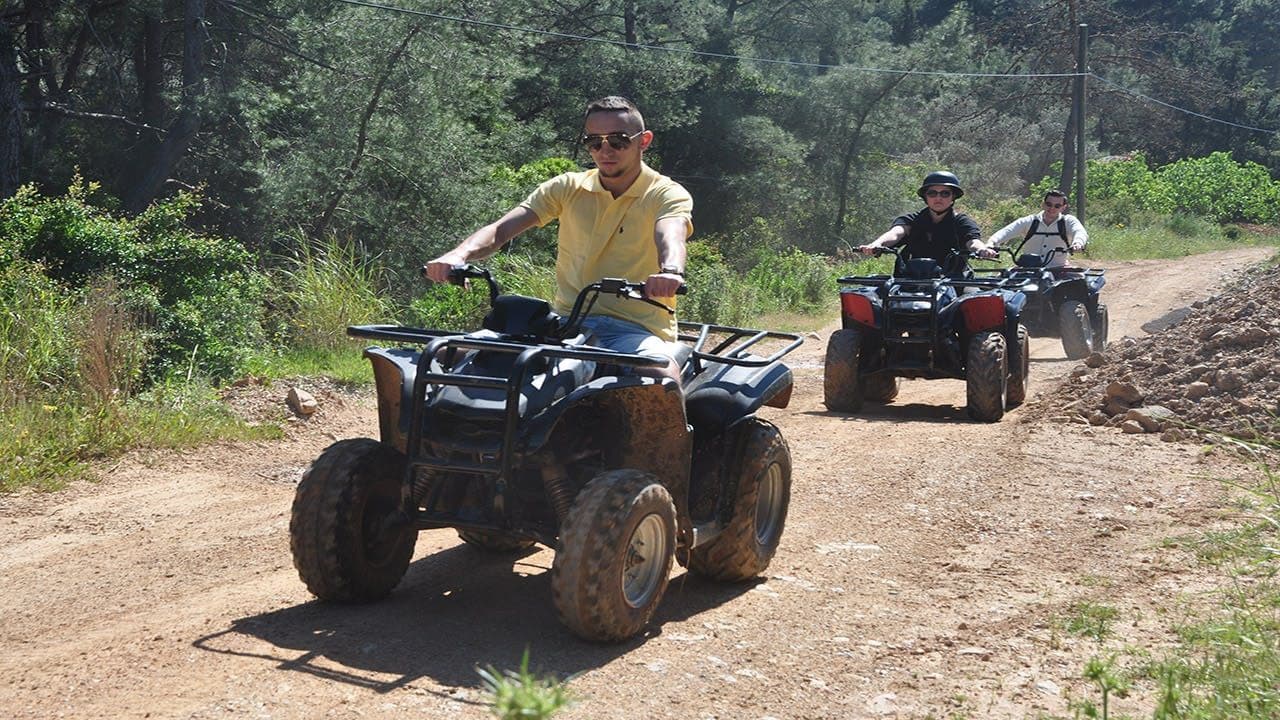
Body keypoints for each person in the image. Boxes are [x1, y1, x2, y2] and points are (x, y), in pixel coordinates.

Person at [423, 95, 692, 383]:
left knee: (660, 375)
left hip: (634, 329)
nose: (605, 150)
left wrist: (670, 272)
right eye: (594, 142)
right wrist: (458, 255)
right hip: (566, 324)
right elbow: (500, 230)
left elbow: (671, 234)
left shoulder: (665, 193)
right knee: (447, 354)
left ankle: (668, 431)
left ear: (644, 140)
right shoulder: (567, 187)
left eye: (618, 140)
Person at [859, 171, 994, 273]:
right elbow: (896, 233)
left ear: (953, 197)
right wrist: (876, 244)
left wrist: (982, 249)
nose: (938, 198)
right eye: (932, 193)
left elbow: (973, 241)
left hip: (953, 280)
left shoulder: (961, 222)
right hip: (910, 279)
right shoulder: (912, 220)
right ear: (925, 197)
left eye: (945, 193)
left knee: (979, 304)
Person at [983, 189, 1088, 268]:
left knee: (1079, 287)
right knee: (1001, 288)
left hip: (1057, 269)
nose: (1052, 208)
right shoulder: (1029, 221)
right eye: (1049, 204)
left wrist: (1078, 243)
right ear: (1043, 204)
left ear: (1063, 207)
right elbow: (1006, 232)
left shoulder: (1068, 221)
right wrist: (990, 244)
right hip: (1027, 269)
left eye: (1057, 206)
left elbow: (1079, 231)